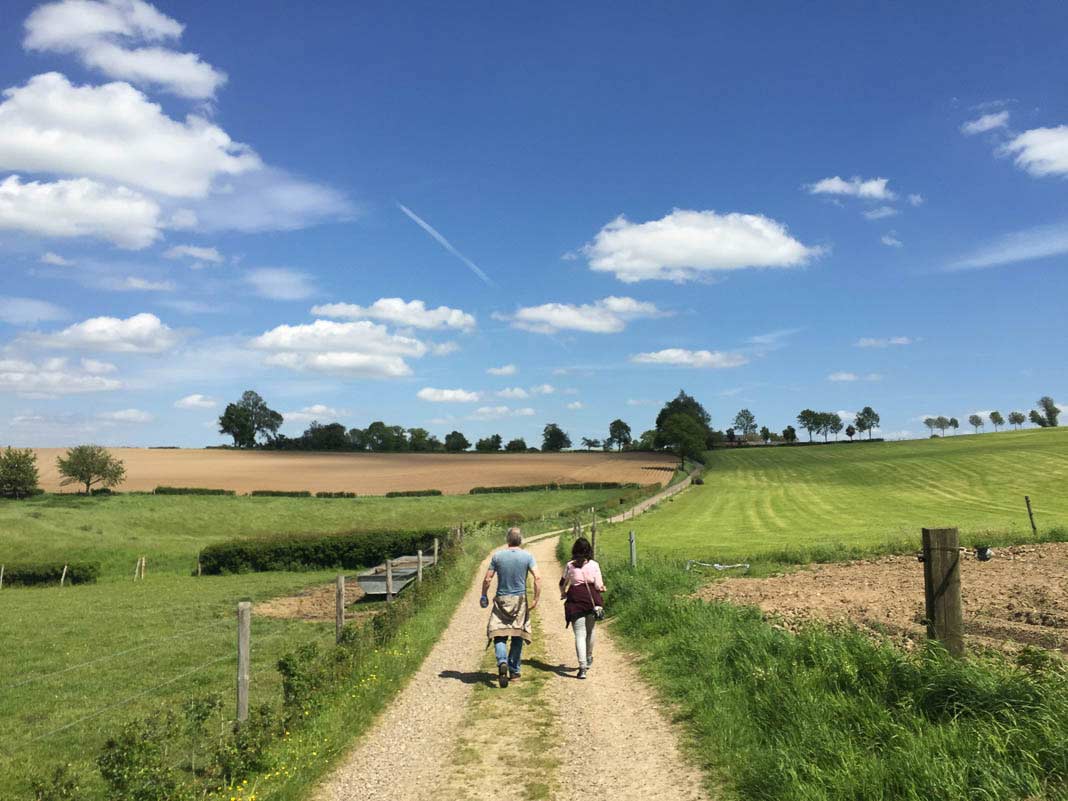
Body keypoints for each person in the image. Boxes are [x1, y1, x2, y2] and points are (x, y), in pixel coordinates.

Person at [481, 526, 541, 687]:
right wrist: (536, 598)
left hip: (502, 599)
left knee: (499, 633)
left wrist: (483, 595)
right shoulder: (527, 556)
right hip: (520, 600)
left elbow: (488, 579)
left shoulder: (498, 556)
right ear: (520, 540)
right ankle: (514, 671)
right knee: (517, 634)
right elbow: (537, 578)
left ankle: (502, 662)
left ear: (507, 539)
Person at [559, 536, 604, 679]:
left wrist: (563, 593)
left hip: (575, 600)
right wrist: (602, 589)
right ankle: (589, 657)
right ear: (588, 550)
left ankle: (582, 667)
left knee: (579, 634)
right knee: (590, 632)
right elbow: (598, 585)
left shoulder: (569, 566)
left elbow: (562, 583)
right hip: (591, 601)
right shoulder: (594, 565)